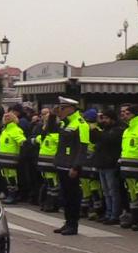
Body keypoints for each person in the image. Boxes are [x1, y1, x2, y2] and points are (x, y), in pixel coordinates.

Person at [52, 97, 91, 236]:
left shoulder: (81, 124)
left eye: (62, 108)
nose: (59, 111)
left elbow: (82, 148)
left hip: (71, 167)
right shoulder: (65, 123)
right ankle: (67, 222)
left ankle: (73, 225)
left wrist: (76, 166)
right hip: (62, 164)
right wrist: (53, 115)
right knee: (65, 196)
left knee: (73, 197)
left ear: (71, 108)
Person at [93, 108, 125, 225]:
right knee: (106, 191)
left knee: (113, 191)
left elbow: (107, 139)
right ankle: (108, 213)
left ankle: (114, 215)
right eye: (103, 118)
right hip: (102, 163)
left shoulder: (117, 130)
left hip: (110, 164)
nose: (104, 120)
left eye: (106, 118)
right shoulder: (105, 129)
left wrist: (96, 129)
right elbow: (95, 139)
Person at [0, 112, 26, 204]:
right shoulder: (4, 130)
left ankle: (13, 196)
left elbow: (22, 141)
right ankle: (10, 194)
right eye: (5, 117)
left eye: (8, 117)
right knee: (7, 178)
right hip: (3, 159)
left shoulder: (15, 130)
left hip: (11, 159)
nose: (6, 118)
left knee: (12, 177)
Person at [78, 109, 103, 220]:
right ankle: (97, 211)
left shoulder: (82, 128)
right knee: (95, 188)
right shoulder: (97, 130)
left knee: (85, 189)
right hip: (93, 163)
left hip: (82, 163)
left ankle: (83, 210)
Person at [35, 112, 60, 211]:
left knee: (52, 184)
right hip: (46, 164)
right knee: (50, 184)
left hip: (48, 164)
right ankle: (49, 203)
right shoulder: (49, 135)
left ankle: (52, 204)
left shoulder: (52, 135)